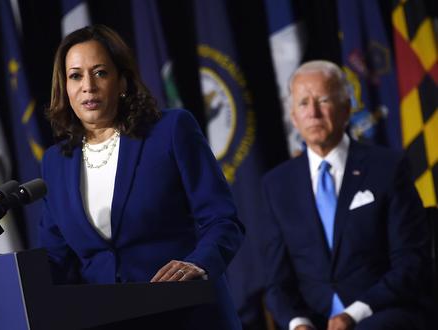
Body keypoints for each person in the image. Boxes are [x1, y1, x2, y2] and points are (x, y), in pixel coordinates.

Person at [39, 24, 244, 329]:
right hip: (108, 319)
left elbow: (223, 220)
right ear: (65, 88)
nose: (88, 86)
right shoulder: (56, 162)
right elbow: (57, 260)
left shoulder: (170, 131)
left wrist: (198, 263)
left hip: (187, 314)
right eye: (75, 76)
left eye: (100, 73)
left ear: (122, 81)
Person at [260, 60, 434, 330]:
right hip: (316, 321)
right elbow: (276, 284)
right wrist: (298, 324)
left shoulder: (387, 168)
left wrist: (353, 314)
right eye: (303, 103)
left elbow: (411, 261)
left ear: (346, 108)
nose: (313, 113)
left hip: (383, 312)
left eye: (324, 100)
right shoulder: (277, 185)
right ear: (293, 117)